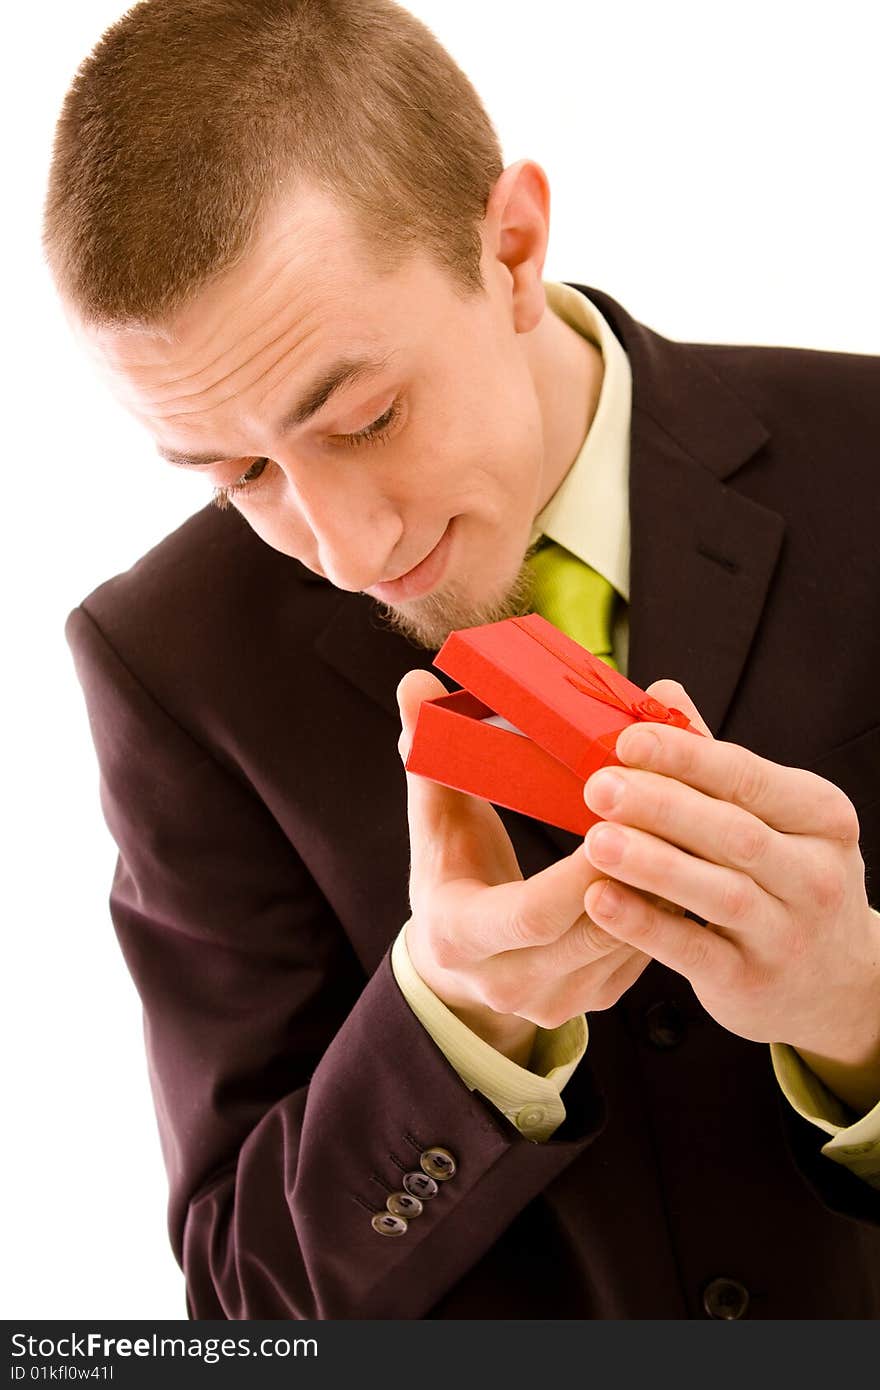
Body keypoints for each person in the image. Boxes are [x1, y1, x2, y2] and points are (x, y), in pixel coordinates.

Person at [45, 0, 880, 1319]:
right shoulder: (168, 661)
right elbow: (243, 1306)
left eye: (367, 416)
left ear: (512, 249)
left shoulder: (869, 458)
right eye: (242, 473)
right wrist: (453, 1022)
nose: (343, 543)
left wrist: (863, 1013)